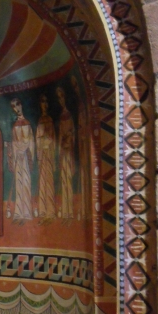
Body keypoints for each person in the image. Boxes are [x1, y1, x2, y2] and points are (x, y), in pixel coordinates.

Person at [6, 98, 34, 222]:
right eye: (14, 107)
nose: (16, 108)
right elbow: (14, 142)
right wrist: (13, 152)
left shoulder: (27, 124)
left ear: (21, 105)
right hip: (18, 157)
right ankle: (18, 213)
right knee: (18, 184)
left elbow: (30, 141)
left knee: (26, 183)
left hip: (25, 157)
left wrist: (26, 152)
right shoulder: (15, 126)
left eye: (17, 105)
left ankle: (26, 213)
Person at [72, 76, 90, 221]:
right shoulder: (79, 108)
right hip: (81, 147)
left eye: (76, 86)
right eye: (74, 87)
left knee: (86, 175)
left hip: (86, 149)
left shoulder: (85, 108)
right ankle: (83, 211)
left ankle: (86, 210)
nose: (76, 89)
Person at [35, 94, 56, 222]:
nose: (44, 104)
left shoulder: (49, 120)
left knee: (49, 182)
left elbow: (52, 138)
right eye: (42, 102)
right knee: (42, 183)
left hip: (48, 154)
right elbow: (38, 139)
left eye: (46, 102)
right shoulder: (40, 121)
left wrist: (45, 142)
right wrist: (41, 143)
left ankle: (51, 211)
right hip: (42, 155)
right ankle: (42, 211)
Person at [57, 86, 75, 222]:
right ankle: (65, 212)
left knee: (68, 180)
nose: (60, 100)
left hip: (69, 152)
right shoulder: (61, 116)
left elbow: (71, 134)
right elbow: (60, 136)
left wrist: (68, 139)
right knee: (64, 181)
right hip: (63, 152)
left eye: (62, 96)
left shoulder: (69, 116)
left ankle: (70, 212)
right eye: (58, 98)